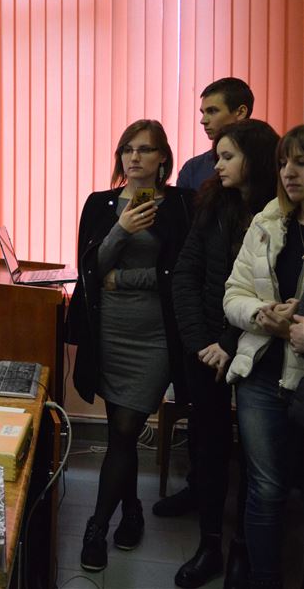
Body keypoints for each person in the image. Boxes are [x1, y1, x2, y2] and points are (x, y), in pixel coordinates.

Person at [66, 119, 194, 572]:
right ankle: (132, 510)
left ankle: (96, 526)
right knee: (118, 430)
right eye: (127, 149)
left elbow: (180, 274)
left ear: (163, 159)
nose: (134, 157)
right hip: (107, 334)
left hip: (156, 338)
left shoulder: (180, 205)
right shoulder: (99, 204)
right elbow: (90, 268)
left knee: (124, 428)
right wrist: (120, 228)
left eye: (145, 149)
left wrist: (125, 279)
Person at [171, 120, 279, 588]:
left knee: (257, 461)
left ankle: (243, 549)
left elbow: (271, 300)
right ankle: (209, 544)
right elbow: (186, 274)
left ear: (255, 159)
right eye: (218, 156)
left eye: (228, 156)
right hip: (205, 350)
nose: (217, 165)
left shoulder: (279, 216)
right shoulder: (213, 204)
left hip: (257, 350)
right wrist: (202, 343)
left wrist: (229, 345)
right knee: (209, 448)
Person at [223, 124, 304, 589]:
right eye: (282, 163)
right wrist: (260, 315)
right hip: (261, 373)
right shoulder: (267, 221)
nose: (289, 172)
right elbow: (233, 294)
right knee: (266, 488)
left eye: (300, 163)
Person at [176, 77, 254, 191]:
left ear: (240, 112)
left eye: (212, 111)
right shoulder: (193, 169)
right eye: (203, 112)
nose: (203, 120)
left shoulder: (272, 162)